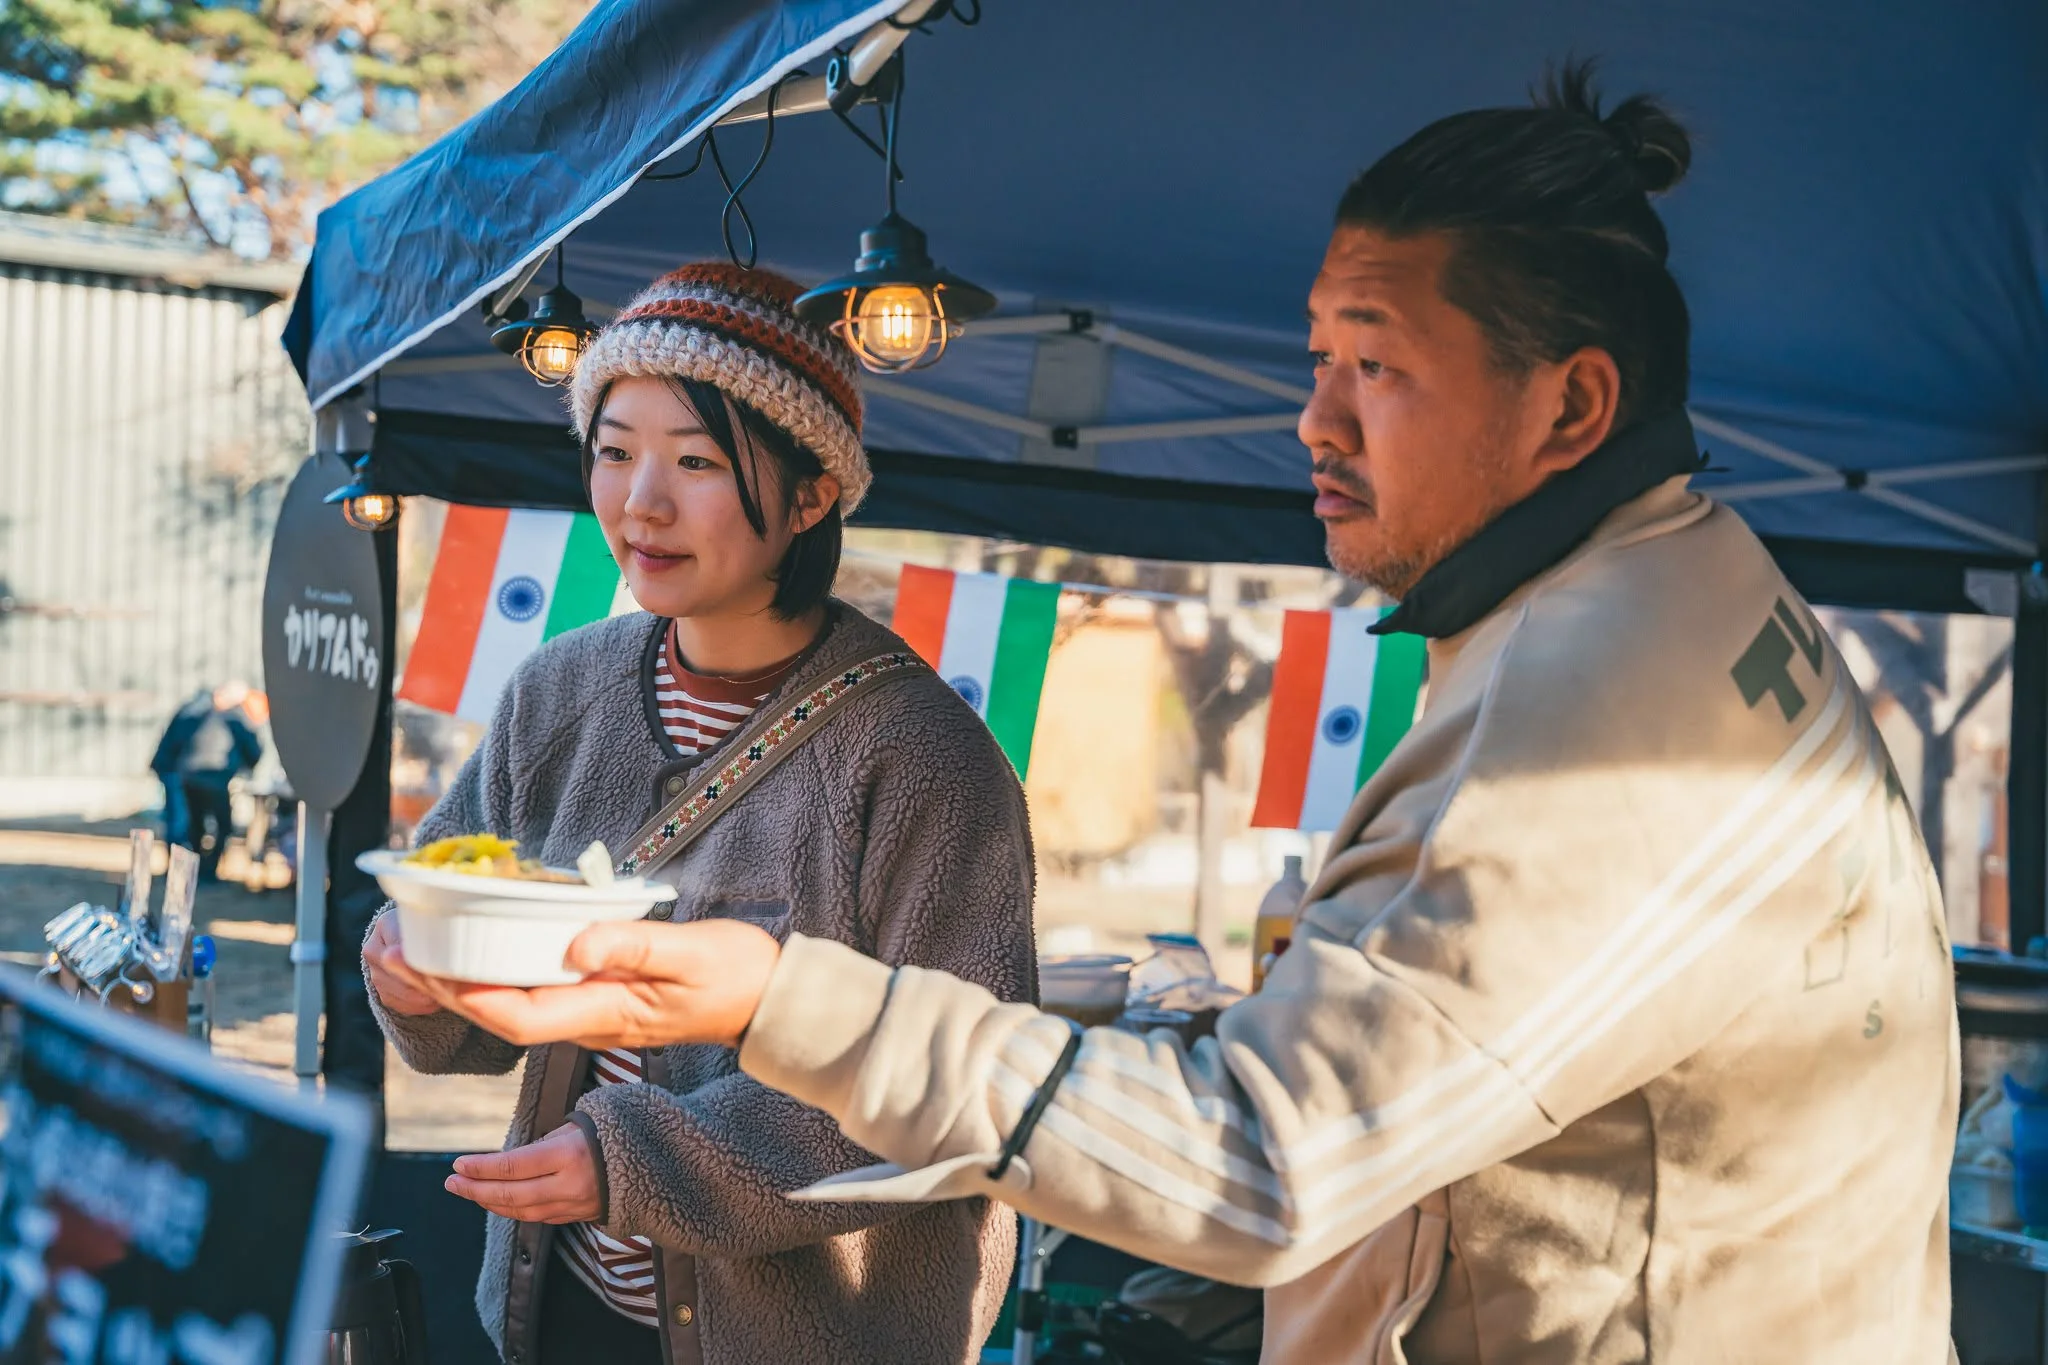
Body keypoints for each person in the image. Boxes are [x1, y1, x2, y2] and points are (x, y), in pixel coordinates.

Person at [391, 70, 1961, 1364]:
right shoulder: (1680, 585)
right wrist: (427, 978)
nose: (1314, 422)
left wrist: (779, 1005)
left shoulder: (1598, 707)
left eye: (1381, 369)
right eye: (1316, 358)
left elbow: (1265, 1159)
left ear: (1574, 406)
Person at [361, 264, 1037, 1365]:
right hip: (558, 1305)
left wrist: (632, 1162)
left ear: (813, 492)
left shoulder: (924, 758)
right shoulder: (556, 690)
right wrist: (414, 973)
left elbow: (954, 1097)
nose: (641, 504)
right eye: (615, 451)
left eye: (697, 462)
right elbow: (463, 944)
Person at [149, 681, 263, 881]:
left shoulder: (200, 711)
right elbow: (253, 751)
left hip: (190, 775)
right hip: (201, 778)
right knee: (202, 826)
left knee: (192, 826)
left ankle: (195, 870)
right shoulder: (221, 716)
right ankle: (200, 871)